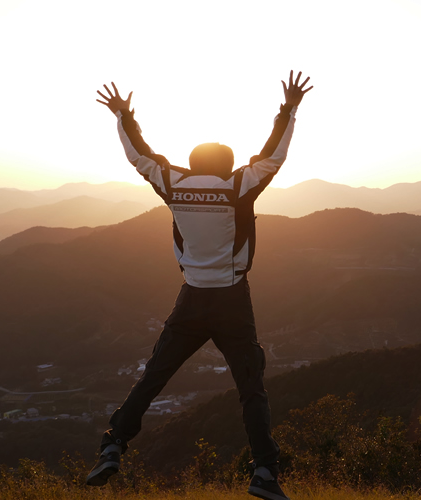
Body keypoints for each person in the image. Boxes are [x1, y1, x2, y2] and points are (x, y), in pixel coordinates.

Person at [86, 71, 313, 500]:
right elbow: (272, 156)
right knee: (251, 390)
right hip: (232, 301)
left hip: (190, 298)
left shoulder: (174, 184)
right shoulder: (237, 186)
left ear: (192, 162)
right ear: (227, 164)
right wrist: (288, 109)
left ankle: (113, 445)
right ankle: (265, 472)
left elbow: (141, 156)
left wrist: (124, 116)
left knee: (153, 377)